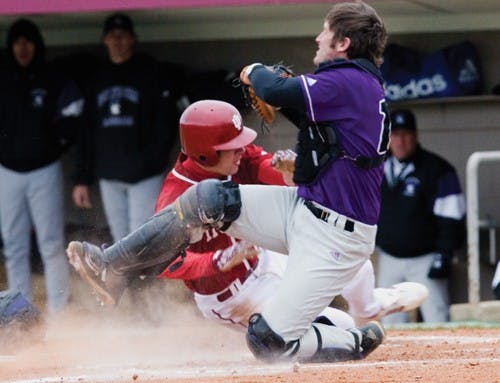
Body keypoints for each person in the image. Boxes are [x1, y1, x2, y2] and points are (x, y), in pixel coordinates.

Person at [67, 2, 392, 363]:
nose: (318, 37)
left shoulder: (348, 81)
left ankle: (351, 341)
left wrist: (252, 70)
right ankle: (111, 266)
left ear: (344, 43)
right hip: (308, 211)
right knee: (207, 198)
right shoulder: (355, 83)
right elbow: (311, 120)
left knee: (268, 342)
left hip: (334, 234)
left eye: (325, 31)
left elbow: (273, 89)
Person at [0, 19, 83, 313]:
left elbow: (72, 119)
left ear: (37, 45)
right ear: (10, 46)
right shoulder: (3, 77)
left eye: (28, 42)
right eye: (17, 42)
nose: (23, 48)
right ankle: (17, 313)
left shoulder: (52, 78)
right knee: (14, 246)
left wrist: (53, 144)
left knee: (51, 243)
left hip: (44, 168)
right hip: (7, 170)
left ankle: (59, 312)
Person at [72, 13, 178, 242]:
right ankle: (127, 279)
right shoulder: (96, 79)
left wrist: (152, 161)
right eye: (112, 36)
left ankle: (146, 279)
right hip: (110, 174)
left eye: (123, 35)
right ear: (105, 40)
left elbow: (165, 125)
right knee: (120, 240)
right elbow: (86, 132)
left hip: (144, 175)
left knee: (142, 238)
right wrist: (82, 178)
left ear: (132, 39)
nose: (117, 40)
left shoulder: (150, 73)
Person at [376, 109, 466, 323]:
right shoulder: (376, 167)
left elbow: (452, 215)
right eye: (395, 135)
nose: (401, 141)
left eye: (406, 134)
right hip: (389, 257)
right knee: (389, 325)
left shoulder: (437, 169)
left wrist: (444, 254)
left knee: (437, 317)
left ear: (415, 135)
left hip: (425, 259)